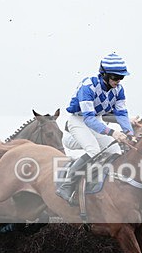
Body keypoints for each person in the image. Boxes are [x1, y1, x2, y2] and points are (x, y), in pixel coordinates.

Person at [56, 52, 134, 203]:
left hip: (96, 119)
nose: (118, 81)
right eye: (115, 77)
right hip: (79, 120)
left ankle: (104, 185)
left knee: (114, 151)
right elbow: (89, 119)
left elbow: (122, 113)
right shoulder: (87, 87)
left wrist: (129, 131)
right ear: (104, 74)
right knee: (94, 151)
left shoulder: (119, 90)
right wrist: (113, 132)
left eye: (121, 78)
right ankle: (67, 185)